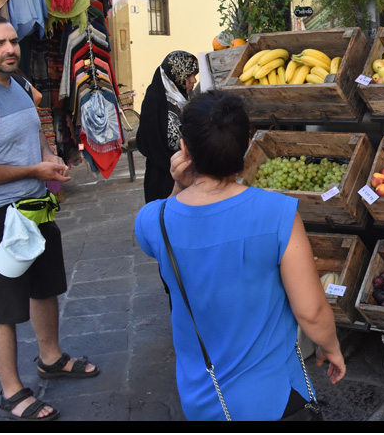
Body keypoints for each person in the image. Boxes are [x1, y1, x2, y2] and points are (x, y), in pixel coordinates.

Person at [133, 90, 345, 421]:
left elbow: (160, 230)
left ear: (185, 148)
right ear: (247, 144)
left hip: (203, 398)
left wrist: (179, 186)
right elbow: (311, 311)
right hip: (275, 396)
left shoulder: (154, 219)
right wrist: (330, 347)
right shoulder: (277, 212)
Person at [0, 16, 99, 421]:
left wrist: (49, 158)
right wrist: (31, 171)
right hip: (1, 216)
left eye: (12, 41)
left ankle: (50, 358)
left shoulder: (20, 85)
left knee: (46, 287)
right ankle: (11, 390)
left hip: (37, 206)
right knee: (2, 306)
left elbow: (34, 134)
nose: (10, 49)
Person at [138, 50, 199, 203]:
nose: (194, 80)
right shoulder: (155, 101)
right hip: (164, 178)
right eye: (188, 76)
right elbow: (147, 143)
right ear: (176, 75)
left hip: (190, 174)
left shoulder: (188, 98)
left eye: (194, 75)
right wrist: (174, 166)